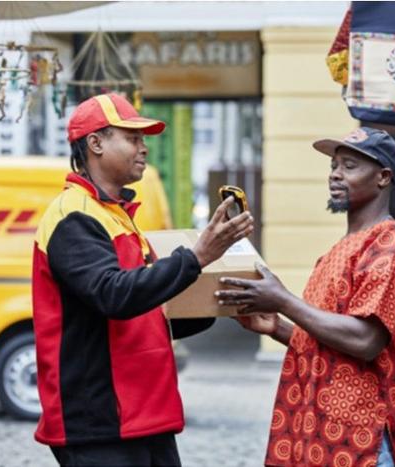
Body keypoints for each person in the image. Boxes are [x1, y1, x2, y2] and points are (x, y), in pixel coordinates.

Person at [32, 93, 253, 466]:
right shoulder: (73, 216)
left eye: (143, 139)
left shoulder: (117, 216)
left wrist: (219, 301)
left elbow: (147, 311)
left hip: (144, 416)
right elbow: (114, 296)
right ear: (96, 143)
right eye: (132, 138)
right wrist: (198, 257)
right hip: (101, 424)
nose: (144, 148)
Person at [216, 127, 395, 467]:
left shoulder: (393, 243)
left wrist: (284, 301)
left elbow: (365, 340)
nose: (335, 173)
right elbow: (333, 346)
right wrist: (278, 328)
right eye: (334, 165)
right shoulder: (341, 249)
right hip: (320, 433)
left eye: (349, 166)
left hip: (362, 438)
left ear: (383, 177)